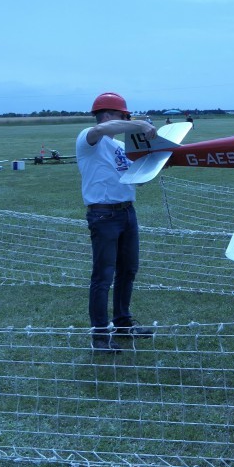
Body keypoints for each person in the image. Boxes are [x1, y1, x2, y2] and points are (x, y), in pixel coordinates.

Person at [77, 92, 159, 353]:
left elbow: (135, 178)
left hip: (127, 213)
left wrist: (153, 166)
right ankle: (100, 336)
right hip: (103, 216)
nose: (127, 120)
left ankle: (123, 324)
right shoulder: (89, 138)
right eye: (124, 116)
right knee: (103, 276)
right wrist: (140, 124)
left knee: (128, 270)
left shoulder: (120, 147)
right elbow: (101, 129)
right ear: (108, 115)